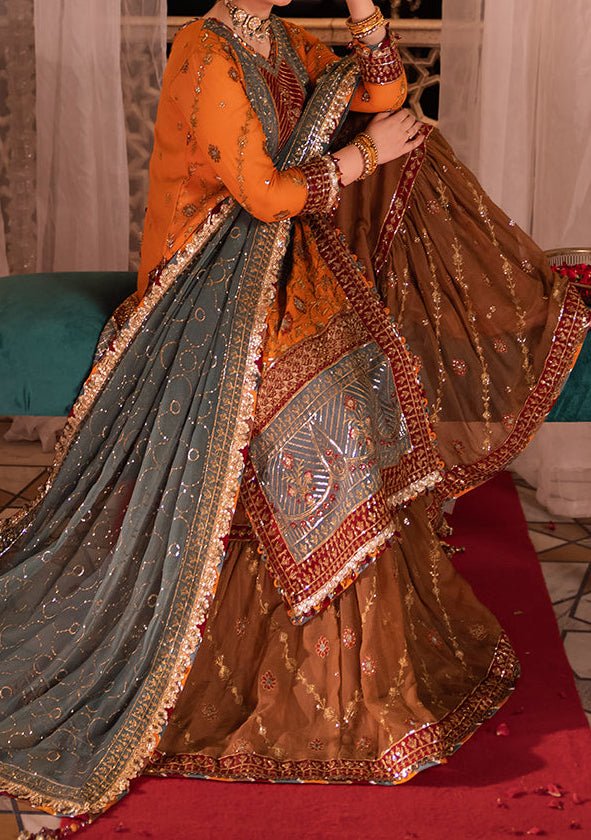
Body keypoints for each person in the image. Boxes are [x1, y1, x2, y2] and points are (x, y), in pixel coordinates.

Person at [0, 0, 588, 833]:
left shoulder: (281, 40)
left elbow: (381, 97)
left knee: (372, 374)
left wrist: (367, 15)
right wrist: (364, 157)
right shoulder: (206, 52)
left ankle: (359, 671)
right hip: (204, 286)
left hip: (280, 267)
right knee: (326, 416)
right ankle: (276, 652)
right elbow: (267, 194)